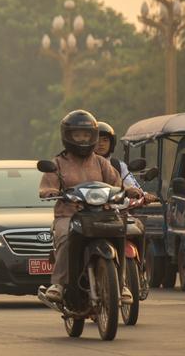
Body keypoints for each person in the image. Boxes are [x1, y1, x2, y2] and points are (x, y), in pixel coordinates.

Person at [39, 110, 141, 304]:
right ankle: (59, 285)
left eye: (86, 135)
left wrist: (128, 190)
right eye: (77, 134)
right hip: (69, 215)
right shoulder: (58, 163)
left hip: (101, 214)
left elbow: (117, 183)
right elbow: (47, 186)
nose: (82, 139)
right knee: (65, 237)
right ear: (67, 136)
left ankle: (121, 283)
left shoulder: (101, 162)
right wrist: (50, 191)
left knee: (121, 233)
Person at [95, 122, 140, 189]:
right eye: (97, 140)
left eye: (105, 140)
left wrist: (144, 195)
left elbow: (134, 187)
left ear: (112, 143)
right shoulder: (83, 164)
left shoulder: (119, 165)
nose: (101, 144)